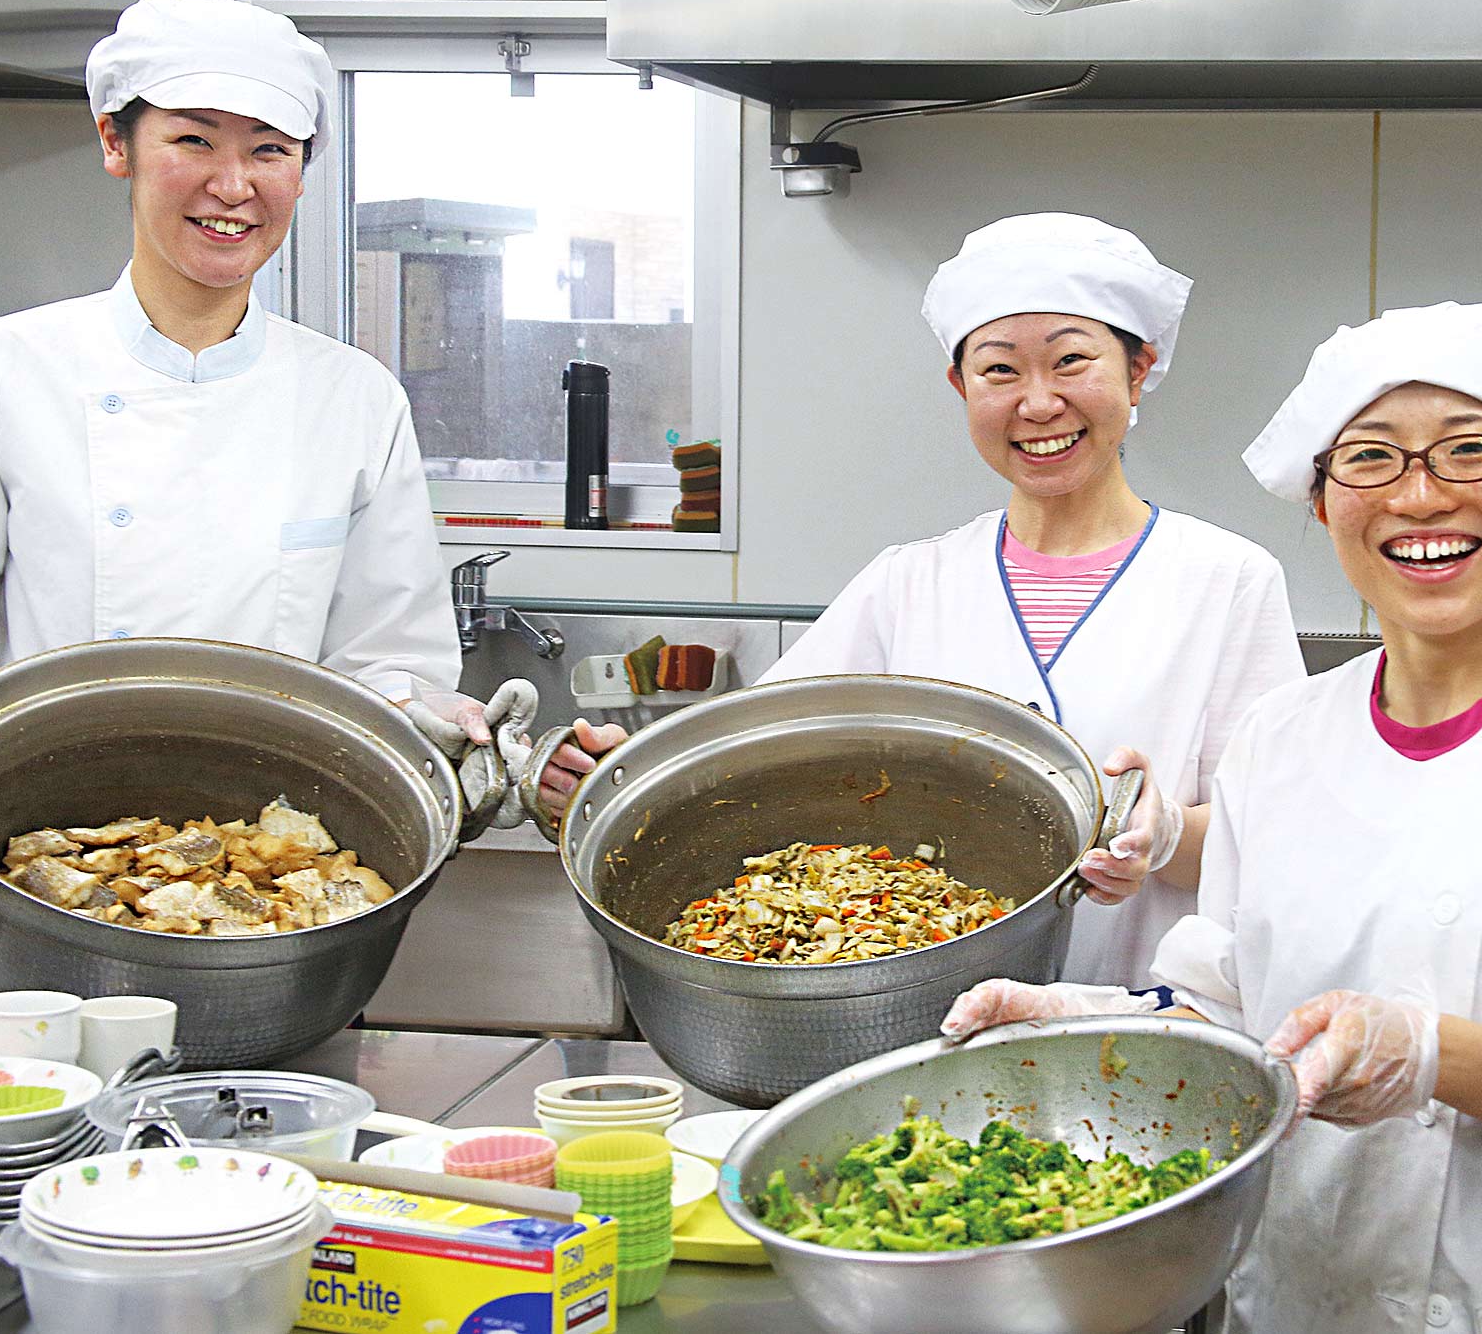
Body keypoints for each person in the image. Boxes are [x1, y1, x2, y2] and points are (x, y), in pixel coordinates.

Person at [944, 301, 1482, 1332]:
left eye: (1470, 450)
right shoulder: (1281, 738)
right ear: (1322, 503)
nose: (1418, 495)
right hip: (1313, 1294)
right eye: (1371, 459)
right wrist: (1096, 1026)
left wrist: (1427, 1054)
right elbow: (1236, 1012)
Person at [0, 0, 497, 998]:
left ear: (302, 172)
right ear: (117, 144)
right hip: (39, 897)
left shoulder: (353, 399)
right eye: (194, 140)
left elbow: (387, 663)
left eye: (270, 151)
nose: (234, 186)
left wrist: (441, 727)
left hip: (281, 914)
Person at [542, 213, 1305, 986]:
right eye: (999, 370)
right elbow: (745, 772)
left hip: (1134, 1028)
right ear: (961, 386)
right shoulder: (907, 585)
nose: (1039, 403)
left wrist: (1165, 836)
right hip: (917, 1029)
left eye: (1071, 360)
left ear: (1138, 371)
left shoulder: (1228, 582)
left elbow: (1279, 844)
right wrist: (616, 777)